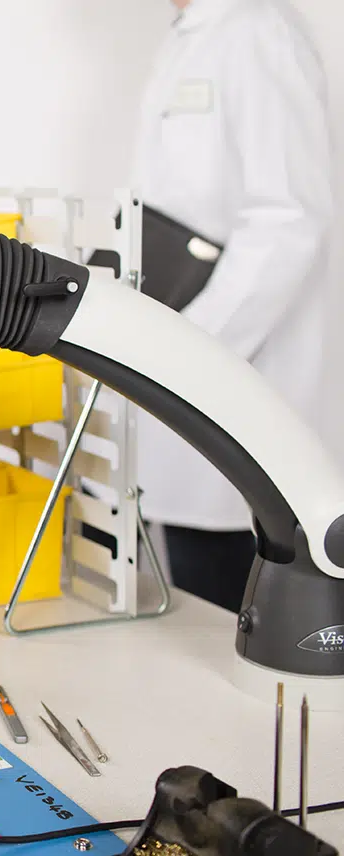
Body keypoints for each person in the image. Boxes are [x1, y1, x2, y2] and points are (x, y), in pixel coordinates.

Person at [131, 0, 332, 611]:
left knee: (236, 619)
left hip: (240, 384)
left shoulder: (259, 30)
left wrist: (192, 350)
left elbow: (291, 218)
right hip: (187, 377)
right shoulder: (192, 34)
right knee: (199, 601)